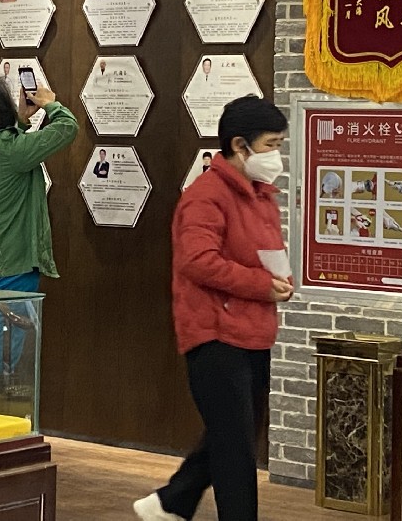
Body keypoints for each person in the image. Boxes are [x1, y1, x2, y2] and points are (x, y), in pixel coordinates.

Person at [134, 94, 293, 521]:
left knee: (233, 433)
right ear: (240, 145)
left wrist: (279, 282)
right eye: (271, 145)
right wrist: (261, 285)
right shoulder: (205, 196)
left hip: (254, 329)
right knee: (235, 448)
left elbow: (263, 254)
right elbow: (197, 260)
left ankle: (171, 501)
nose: (276, 156)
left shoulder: (261, 195)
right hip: (215, 333)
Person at [0, 73, 78, 378]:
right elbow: (68, 127)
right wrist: (50, 104)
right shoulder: (13, 151)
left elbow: (3, 147)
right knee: (0, 359)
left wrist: (21, 120)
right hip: (13, 265)